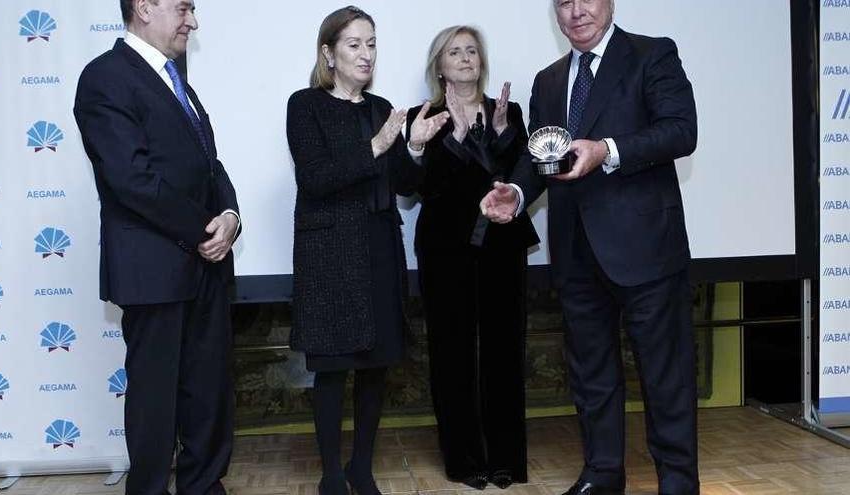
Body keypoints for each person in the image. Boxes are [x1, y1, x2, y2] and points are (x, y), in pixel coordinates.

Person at [480, 1, 699, 494]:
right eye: (563, 1)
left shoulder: (652, 55)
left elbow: (682, 131)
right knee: (591, 378)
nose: (576, 11)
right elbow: (541, 157)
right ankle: (602, 476)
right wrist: (513, 193)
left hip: (647, 253)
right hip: (577, 254)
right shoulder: (549, 80)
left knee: (667, 381)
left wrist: (608, 150)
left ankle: (679, 484)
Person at [73, 0, 240, 493]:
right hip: (154, 271)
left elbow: (211, 165)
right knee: (155, 404)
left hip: (206, 266)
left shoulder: (177, 80)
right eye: (184, 7)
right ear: (144, 7)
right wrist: (205, 228)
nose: (193, 19)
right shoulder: (104, 77)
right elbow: (131, 179)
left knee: (209, 395)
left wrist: (230, 216)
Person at [285, 6, 449, 495]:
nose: (365, 53)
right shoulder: (305, 105)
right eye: (354, 44)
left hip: (379, 250)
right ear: (328, 53)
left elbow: (404, 184)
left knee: (377, 365)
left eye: (371, 43)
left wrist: (414, 147)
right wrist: (376, 147)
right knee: (333, 369)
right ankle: (332, 474)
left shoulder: (382, 109)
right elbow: (315, 178)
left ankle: (362, 467)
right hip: (329, 256)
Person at [406, 25, 539, 491]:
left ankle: (506, 459)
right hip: (446, 251)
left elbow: (520, 180)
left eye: (471, 51)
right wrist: (456, 140)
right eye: (454, 52)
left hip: (502, 248)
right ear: (439, 66)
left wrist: (501, 136)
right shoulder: (425, 118)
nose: (464, 58)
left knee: (505, 351)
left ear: (481, 62)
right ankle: (464, 460)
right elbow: (421, 188)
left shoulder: (510, 113)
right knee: (452, 353)